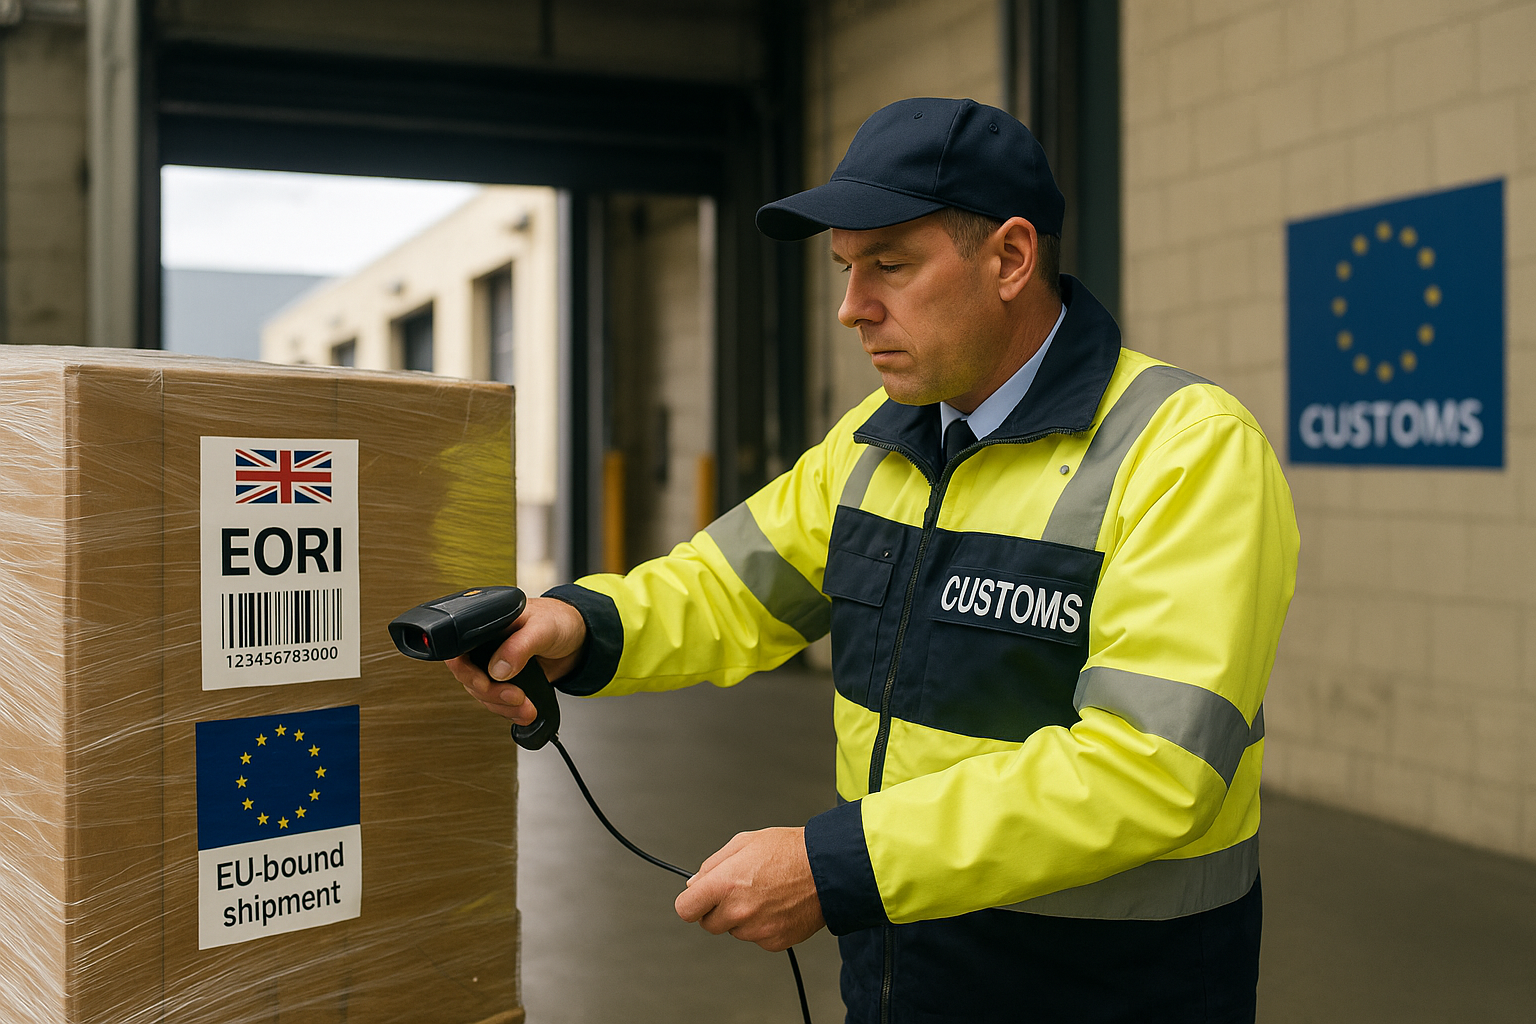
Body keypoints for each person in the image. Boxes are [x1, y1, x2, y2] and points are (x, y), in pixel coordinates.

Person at [450, 97, 1299, 1024]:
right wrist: (582, 627)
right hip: (903, 973)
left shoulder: (1185, 450)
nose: (854, 309)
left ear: (1011, 258)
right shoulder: (875, 443)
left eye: (890, 265)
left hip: (1111, 987)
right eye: (847, 269)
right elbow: (730, 586)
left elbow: (1152, 767)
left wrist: (838, 866)